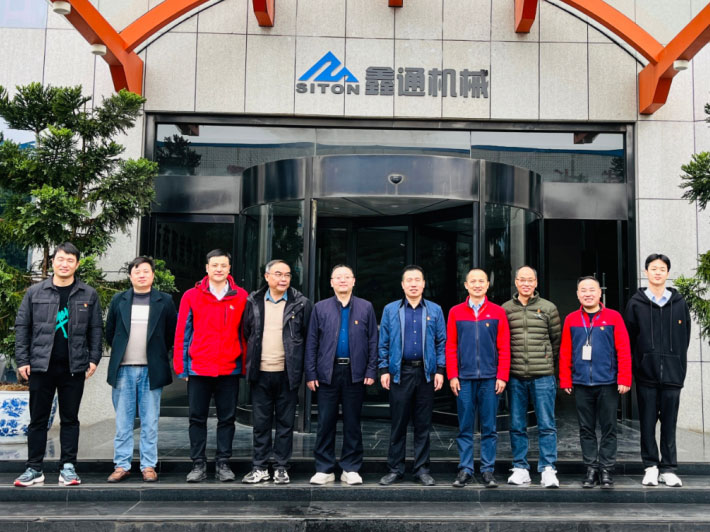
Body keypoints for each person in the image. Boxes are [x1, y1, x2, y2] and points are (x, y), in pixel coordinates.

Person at [13, 242, 102, 487]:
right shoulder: (35, 292)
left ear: (77, 264)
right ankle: (34, 468)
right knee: (38, 419)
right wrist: (23, 360)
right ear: (53, 262)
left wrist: (93, 358)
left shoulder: (88, 294)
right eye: (61, 259)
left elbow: (96, 329)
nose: (65, 264)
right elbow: (22, 327)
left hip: (73, 367)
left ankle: (68, 468)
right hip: (41, 366)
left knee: (70, 419)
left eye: (70, 260)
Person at [174, 249, 248, 483]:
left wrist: (245, 365)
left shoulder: (241, 296)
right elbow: (182, 332)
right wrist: (182, 367)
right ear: (206, 268)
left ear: (229, 268)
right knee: (197, 418)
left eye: (223, 265)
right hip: (199, 367)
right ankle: (198, 463)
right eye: (214, 265)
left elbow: (246, 333)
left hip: (229, 368)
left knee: (227, 419)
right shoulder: (191, 296)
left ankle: (223, 463)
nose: (219, 269)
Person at [104, 256, 178, 483]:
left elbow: (171, 333)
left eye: (146, 271)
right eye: (137, 271)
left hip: (151, 370)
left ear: (153, 275)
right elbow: (110, 332)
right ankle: (122, 465)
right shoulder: (119, 299)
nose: (142, 275)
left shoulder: (164, 301)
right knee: (123, 422)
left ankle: (148, 465)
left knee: (150, 421)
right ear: (130, 276)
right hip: (123, 370)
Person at [305, 264, 378, 485]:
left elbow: (373, 340)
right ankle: (324, 468)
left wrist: (371, 369)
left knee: (352, 422)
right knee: (325, 422)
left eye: (347, 277)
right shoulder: (320, 308)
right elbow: (311, 342)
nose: (343, 280)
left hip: (355, 372)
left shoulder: (366, 307)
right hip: (327, 372)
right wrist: (311, 373)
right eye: (338, 277)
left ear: (354, 281)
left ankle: (351, 468)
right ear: (331, 282)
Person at [241, 260, 312, 485]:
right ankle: (260, 467)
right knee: (260, 423)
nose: (283, 279)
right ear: (267, 276)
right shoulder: (253, 301)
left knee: (285, 423)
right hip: (260, 371)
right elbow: (246, 332)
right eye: (278, 274)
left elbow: (307, 337)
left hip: (287, 372)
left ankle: (281, 467)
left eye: (287, 275)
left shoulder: (301, 303)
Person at [625, 254, 691, 488]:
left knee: (670, 424)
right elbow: (630, 338)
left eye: (662, 269)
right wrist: (639, 365)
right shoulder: (636, 303)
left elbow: (685, 338)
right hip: (646, 374)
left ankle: (669, 469)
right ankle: (651, 466)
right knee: (647, 423)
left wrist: (678, 364)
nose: (657, 272)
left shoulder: (679, 303)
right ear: (646, 272)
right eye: (653, 268)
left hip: (673, 374)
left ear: (667, 273)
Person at [560, 276, 631, 489]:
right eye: (583, 290)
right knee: (586, 428)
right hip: (582, 383)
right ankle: (591, 468)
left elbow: (623, 349)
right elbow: (565, 351)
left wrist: (624, 378)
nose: (588, 294)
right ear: (578, 294)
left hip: (608, 382)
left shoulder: (613, 317)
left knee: (609, 427)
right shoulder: (571, 319)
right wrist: (565, 378)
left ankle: (606, 469)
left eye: (592, 289)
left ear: (600, 293)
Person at [378, 265, 446, 487]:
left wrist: (440, 370)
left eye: (418, 280)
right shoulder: (390, 310)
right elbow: (384, 342)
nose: (414, 284)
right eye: (409, 280)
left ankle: (422, 470)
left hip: (426, 374)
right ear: (403, 284)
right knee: (398, 424)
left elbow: (441, 342)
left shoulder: (435, 310)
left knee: (423, 424)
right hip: (400, 373)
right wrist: (384, 369)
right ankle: (395, 469)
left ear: (424, 284)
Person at [445, 269, 510, 488]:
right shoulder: (455, 312)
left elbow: (504, 347)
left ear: (487, 285)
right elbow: (451, 346)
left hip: (490, 379)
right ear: (466, 285)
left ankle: (487, 470)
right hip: (464, 378)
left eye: (481, 281)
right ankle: (465, 468)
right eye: (472, 281)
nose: (477, 284)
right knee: (465, 426)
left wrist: (502, 375)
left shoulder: (498, 312)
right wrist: (452, 375)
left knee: (489, 427)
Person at [502, 266, 562, 488]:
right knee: (517, 424)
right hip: (515, 375)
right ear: (516, 282)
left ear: (536, 283)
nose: (526, 283)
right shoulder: (506, 309)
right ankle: (520, 467)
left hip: (543, 376)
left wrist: (546, 361)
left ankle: (548, 468)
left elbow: (556, 340)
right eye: (522, 280)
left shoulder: (548, 308)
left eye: (530, 280)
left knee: (546, 424)